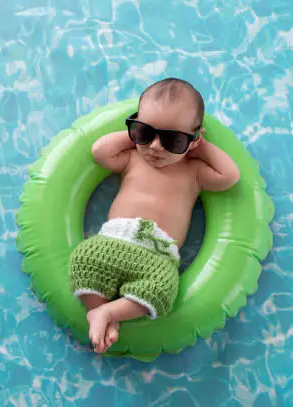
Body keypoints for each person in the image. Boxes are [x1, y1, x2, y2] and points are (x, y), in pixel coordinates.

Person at [69, 78, 240, 353]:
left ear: (194, 139)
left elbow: (230, 176)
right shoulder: (131, 159)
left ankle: (107, 314)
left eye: (173, 139)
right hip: (113, 240)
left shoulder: (193, 172)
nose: (156, 147)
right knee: (83, 260)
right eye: (145, 134)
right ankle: (102, 313)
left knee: (163, 291)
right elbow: (99, 151)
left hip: (157, 256)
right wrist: (132, 137)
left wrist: (201, 147)